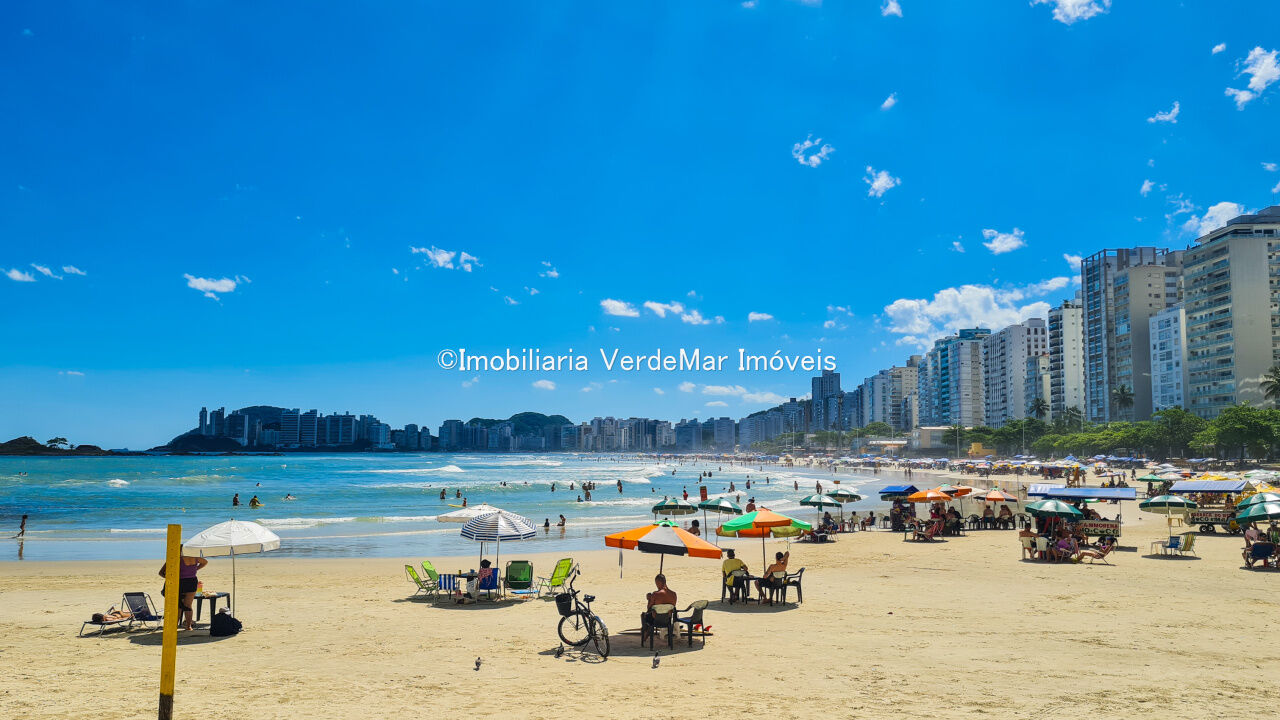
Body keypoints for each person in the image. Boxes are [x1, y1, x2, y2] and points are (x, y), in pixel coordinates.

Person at [158, 549, 208, 631]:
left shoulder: (175, 559)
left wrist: (169, 578)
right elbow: (205, 562)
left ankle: (174, 627)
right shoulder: (195, 558)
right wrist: (196, 569)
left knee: (178, 606)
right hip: (192, 582)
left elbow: (161, 573)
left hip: (179, 582)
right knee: (188, 605)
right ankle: (188, 626)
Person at [641, 574, 677, 643]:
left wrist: (649, 599)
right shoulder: (674, 594)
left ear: (658, 582)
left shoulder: (655, 594)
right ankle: (647, 631)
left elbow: (649, 607)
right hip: (668, 620)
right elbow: (673, 607)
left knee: (644, 615)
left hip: (655, 620)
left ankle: (646, 633)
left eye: (656, 583)